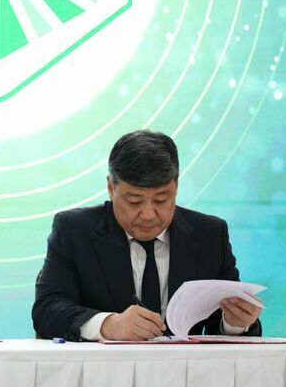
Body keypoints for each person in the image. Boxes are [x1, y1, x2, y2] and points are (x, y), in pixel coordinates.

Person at [32, 130, 263, 341]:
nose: (148, 215)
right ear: (111, 189)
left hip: (186, 370)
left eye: (161, 200)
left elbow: (223, 320)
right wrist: (108, 324)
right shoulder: (74, 231)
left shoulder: (209, 235)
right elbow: (47, 309)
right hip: (104, 370)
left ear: (176, 188)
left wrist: (234, 323)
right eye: (134, 201)